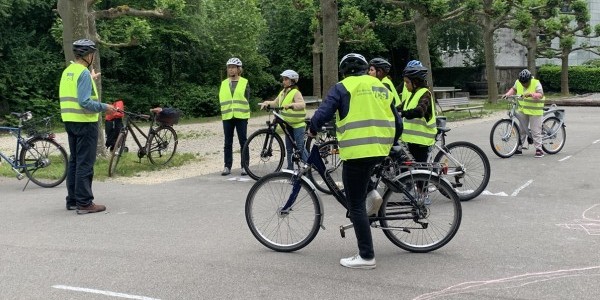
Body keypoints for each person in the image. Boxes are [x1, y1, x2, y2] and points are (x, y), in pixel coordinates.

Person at [309, 53, 402, 269]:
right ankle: (373, 193)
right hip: (380, 148)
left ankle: (366, 256)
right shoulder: (381, 87)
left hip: (358, 151)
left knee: (355, 204)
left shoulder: (343, 87)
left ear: (344, 71)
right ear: (364, 68)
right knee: (362, 183)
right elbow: (398, 122)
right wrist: (390, 143)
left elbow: (322, 114)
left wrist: (312, 130)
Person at [59, 39, 116, 214]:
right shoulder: (82, 73)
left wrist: (89, 78)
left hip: (70, 121)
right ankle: (85, 203)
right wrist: (104, 106)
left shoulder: (69, 71)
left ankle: (73, 200)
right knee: (85, 163)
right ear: (88, 55)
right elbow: (84, 101)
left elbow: (74, 93)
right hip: (85, 123)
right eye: (93, 54)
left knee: (75, 161)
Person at [260, 69, 308, 169]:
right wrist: (266, 103)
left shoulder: (295, 92)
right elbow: (275, 103)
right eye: (283, 79)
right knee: (289, 148)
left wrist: (292, 105)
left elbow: (302, 104)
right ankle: (290, 169)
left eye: (286, 79)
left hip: (297, 124)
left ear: (292, 81)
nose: (284, 81)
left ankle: (309, 166)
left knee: (300, 148)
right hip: (287, 123)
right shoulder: (282, 92)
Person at [502, 69, 545, 158]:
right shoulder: (518, 82)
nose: (523, 84)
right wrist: (507, 94)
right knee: (521, 130)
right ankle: (519, 148)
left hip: (535, 111)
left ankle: (539, 149)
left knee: (535, 131)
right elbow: (514, 89)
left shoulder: (536, 83)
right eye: (522, 82)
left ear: (529, 79)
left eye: (525, 82)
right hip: (523, 109)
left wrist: (532, 94)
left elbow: (541, 94)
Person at [399, 64, 437, 164]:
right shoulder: (412, 95)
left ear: (415, 82)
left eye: (407, 82)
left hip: (422, 142)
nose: (406, 85)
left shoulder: (425, 93)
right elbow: (399, 107)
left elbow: (420, 111)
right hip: (412, 140)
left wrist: (402, 114)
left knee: (420, 172)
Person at [219, 57, 250, 176]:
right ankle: (227, 166)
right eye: (229, 68)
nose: (230, 70)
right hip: (227, 115)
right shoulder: (223, 83)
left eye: (233, 67)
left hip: (241, 115)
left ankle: (244, 166)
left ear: (238, 69)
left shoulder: (244, 82)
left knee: (243, 141)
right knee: (228, 142)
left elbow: (247, 98)